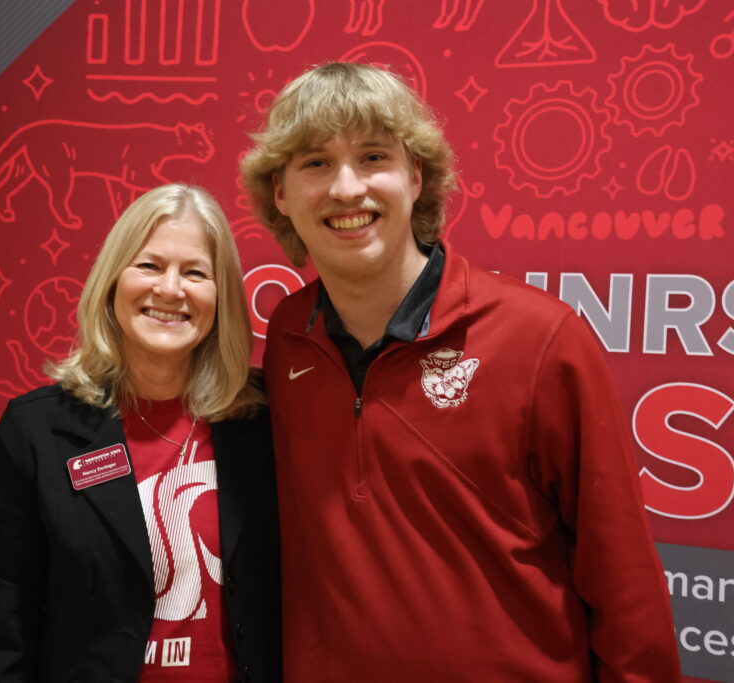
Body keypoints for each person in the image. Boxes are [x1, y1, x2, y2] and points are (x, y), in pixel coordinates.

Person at [241, 62, 680, 680]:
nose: (346, 189)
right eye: (314, 163)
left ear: (415, 177)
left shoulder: (541, 339)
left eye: (372, 158)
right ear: (280, 193)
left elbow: (623, 579)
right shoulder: (288, 336)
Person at [0, 184, 281, 682]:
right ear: (113, 281)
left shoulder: (268, 420)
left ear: (220, 296)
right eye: (149, 265)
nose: (170, 289)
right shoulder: (35, 432)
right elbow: (10, 622)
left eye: (195, 273)